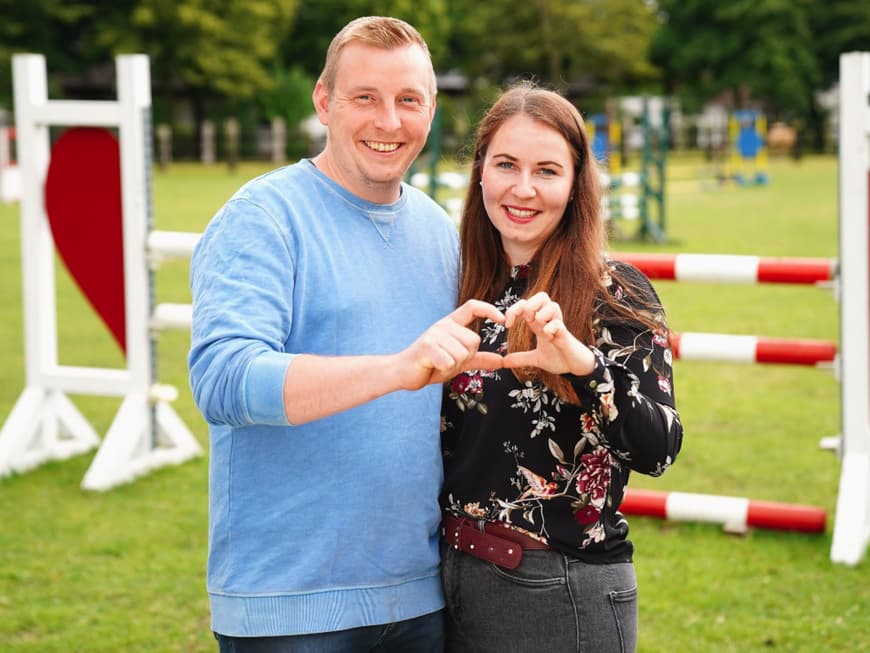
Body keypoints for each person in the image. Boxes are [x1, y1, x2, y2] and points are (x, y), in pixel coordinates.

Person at [188, 16, 504, 652]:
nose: (389, 122)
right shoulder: (262, 217)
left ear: (432, 109)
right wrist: (394, 368)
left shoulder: (439, 230)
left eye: (408, 100)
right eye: (366, 97)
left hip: (419, 596)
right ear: (323, 101)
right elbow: (223, 380)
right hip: (288, 607)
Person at [439, 82, 684, 653]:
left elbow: (661, 449)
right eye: (506, 164)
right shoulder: (460, 284)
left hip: (558, 589)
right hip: (447, 581)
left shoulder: (615, 291)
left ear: (576, 186)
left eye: (547, 170)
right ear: (480, 173)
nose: (523, 189)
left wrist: (582, 366)